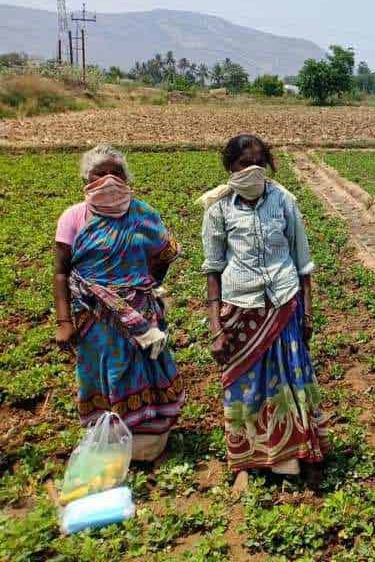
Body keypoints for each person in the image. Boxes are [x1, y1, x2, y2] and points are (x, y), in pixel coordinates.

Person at [200, 134, 328, 483]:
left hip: (284, 303)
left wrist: (308, 314)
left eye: (259, 161)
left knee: (292, 382)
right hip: (241, 309)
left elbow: (303, 263)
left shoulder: (284, 201)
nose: (252, 169)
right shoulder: (218, 210)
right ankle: (249, 462)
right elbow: (212, 269)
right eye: (244, 163)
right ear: (230, 168)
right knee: (246, 386)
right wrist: (215, 328)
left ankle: (295, 456)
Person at [53, 145, 184, 462]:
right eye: (101, 173)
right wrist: (64, 321)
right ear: (87, 179)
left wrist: (141, 286)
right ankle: (109, 437)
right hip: (94, 318)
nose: (109, 179)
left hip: (138, 313)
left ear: (127, 178)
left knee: (144, 371)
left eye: (117, 172)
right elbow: (60, 272)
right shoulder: (74, 217)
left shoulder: (143, 213)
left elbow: (164, 253)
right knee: (103, 373)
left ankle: (146, 441)